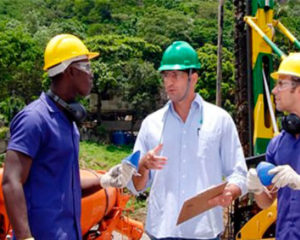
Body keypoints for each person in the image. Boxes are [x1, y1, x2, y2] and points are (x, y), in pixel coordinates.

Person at [2, 34, 134, 240]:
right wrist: (25, 236)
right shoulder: (34, 119)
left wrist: (105, 180)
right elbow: (11, 181)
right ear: (70, 71)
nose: (92, 75)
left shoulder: (68, 123)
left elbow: (66, 186)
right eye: (87, 67)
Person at [127, 41, 247, 239]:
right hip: (162, 232)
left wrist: (230, 192)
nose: (168, 82)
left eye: (175, 75)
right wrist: (143, 165)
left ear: (193, 78)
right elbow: (136, 186)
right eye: (165, 75)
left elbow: (238, 173)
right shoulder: (151, 124)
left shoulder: (219, 120)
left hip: (205, 233)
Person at [247, 53, 300, 240]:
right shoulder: (277, 143)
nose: (274, 91)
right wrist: (258, 189)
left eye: (281, 84)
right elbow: (268, 202)